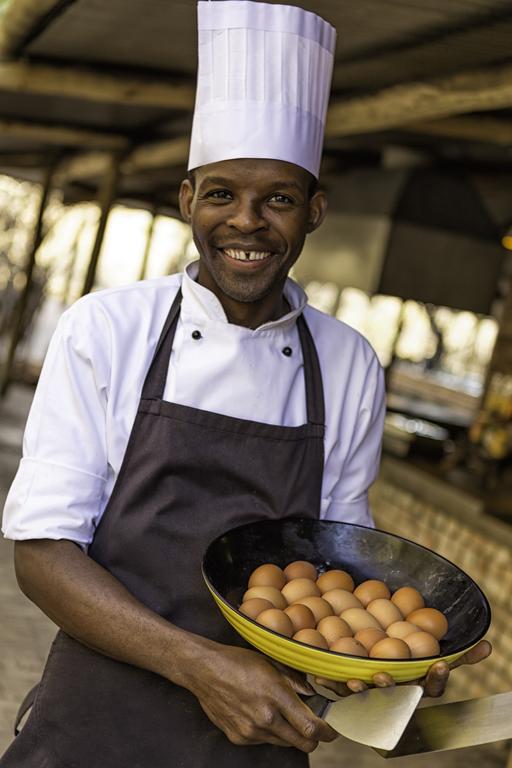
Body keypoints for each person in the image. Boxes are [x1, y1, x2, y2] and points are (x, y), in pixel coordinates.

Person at [1, 2, 490, 767]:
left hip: (261, 733)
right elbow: (41, 554)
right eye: (223, 193)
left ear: (315, 211)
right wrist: (201, 665)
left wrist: (375, 660)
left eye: (280, 199)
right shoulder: (107, 329)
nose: (248, 222)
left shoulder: (349, 361)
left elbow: (334, 569)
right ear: (188, 199)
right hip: (96, 720)